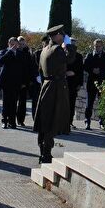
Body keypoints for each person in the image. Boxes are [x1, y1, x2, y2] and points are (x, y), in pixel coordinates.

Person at [34, 25, 77, 163]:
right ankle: (46, 155)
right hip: (55, 88)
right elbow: (69, 59)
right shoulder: (57, 49)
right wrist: (68, 45)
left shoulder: (44, 49)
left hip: (46, 86)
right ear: (57, 35)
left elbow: (41, 71)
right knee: (52, 121)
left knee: (44, 121)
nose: (64, 37)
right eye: (62, 35)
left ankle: (43, 153)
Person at [0, 37, 24, 129]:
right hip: (6, 82)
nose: (14, 46)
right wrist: (10, 51)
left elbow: (22, 68)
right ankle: (4, 120)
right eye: (12, 44)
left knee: (13, 103)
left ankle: (12, 122)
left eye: (15, 44)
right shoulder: (4, 52)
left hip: (16, 82)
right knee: (6, 103)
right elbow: (0, 61)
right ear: (8, 44)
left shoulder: (20, 54)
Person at [82, 39, 105, 130]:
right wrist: (92, 70)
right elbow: (85, 66)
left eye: (99, 46)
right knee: (89, 103)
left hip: (102, 83)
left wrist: (101, 71)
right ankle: (87, 121)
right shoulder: (89, 55)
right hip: (91, 83)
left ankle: (102, 122)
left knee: (102, 104)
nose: (97, 48)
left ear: (102, 46)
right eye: (95, 46)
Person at [15, 36, 37, 127]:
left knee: (22, 103)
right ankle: (11, 119)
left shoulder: (28, 54)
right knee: (13, 102)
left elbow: (30, 68)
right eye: (20, 43)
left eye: (23, 43)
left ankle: (21, 120)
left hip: (24, 82)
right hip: (15, 81)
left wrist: (28, 81)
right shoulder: (14, 52)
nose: (21, 45)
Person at [66, 38, 84, 128]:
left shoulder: (79, 56)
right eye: (71, 44)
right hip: (64, 83)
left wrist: (79, 84)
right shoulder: (63, 54)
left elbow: (81, 71)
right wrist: (65, 73)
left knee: (71, 104)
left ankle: (69, 121)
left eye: (74, 45)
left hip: (74, 83)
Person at [31, 35, 49, 121]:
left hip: (47, 80)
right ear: (42, 43)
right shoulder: (37, 53)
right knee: (36, 100)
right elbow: (32, 66)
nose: (46, 45)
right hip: (37, 81)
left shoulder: (51, 53)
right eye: (45, 43)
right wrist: (36, 76)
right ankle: (35, 119)